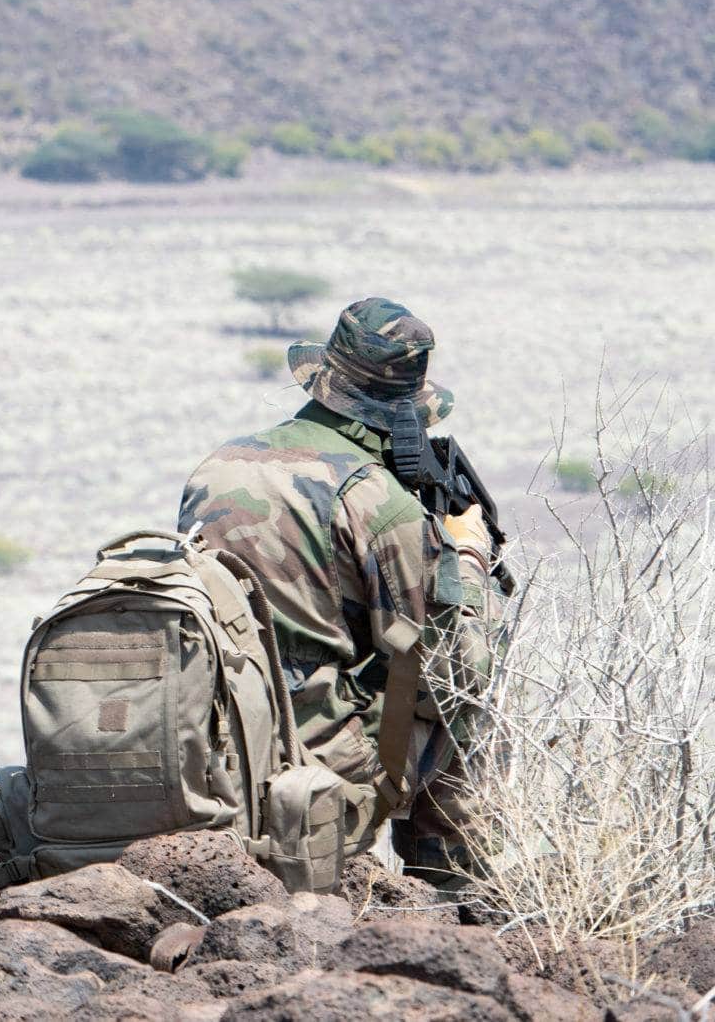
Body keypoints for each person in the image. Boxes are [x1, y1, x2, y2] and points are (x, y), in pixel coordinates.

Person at [179, 297, 494, 880]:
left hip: (212, 742)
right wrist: (467, 556)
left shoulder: (216, 467)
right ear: (403, 412)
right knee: (462, 712)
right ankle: (457, 892)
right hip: (315, 768)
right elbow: (454, 671)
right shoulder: (378, 500)